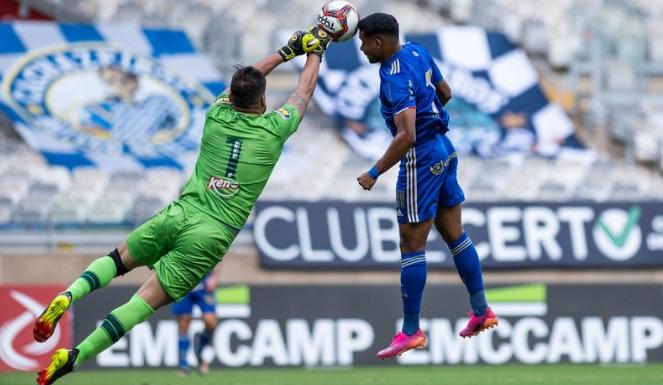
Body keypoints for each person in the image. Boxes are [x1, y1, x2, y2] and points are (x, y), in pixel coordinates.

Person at [32, 27, 331, 385]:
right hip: (210, 234)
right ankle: (76, 355)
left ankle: (68, 294)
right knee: (144, 301)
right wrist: (318, 50)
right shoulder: (274, 129)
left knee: (117, 259)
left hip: (180, 212)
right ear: (263, 102)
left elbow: (245, 80)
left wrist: (289, 49)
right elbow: (303, 92)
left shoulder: (216, 114)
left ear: (233, 95)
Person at [354, 13, 498, 360]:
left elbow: (406, 136)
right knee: (455, 236)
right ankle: (481, 310)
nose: (361, 48)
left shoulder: (393, 77)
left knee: (411, 244)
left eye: (364, 42)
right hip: (445, 150)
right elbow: (445, 92)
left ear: (378, 42)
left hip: (420, 159)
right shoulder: (417, 52)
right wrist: (429, 119)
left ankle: (411, 330)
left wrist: (374, 171)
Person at [172, 268, 219, 376]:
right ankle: (183, 365)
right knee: (184, 322)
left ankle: (201, 351)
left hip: (203, 284)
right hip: (182, 282)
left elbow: (219, 255)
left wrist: (214, 277)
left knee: (210, 322)